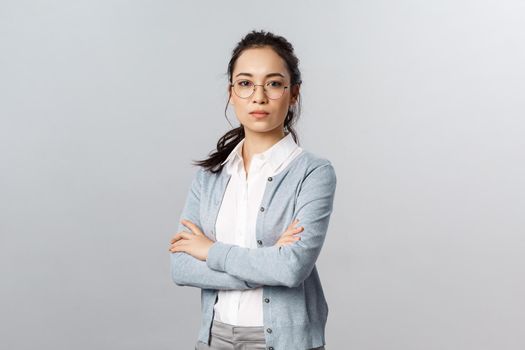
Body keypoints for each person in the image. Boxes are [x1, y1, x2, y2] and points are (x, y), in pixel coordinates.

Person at [168, 29, 337, 350]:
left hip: (285, 340)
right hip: (215, 336)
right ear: (231, 93)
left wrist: (211, 251)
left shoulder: (313, 172)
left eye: (273, 83)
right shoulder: (210, 175)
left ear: (294, 93)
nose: (258, 96)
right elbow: (181, 266)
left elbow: (291, 268)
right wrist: (264, 264)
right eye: (245, 83)